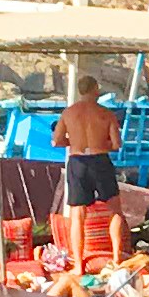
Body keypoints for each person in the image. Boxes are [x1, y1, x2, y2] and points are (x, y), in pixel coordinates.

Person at [60, 82, 122, 214]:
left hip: (77, 161)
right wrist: (99, 144)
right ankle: (116, 230)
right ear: (95, 90)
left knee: (77, 212)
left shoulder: (68, 113)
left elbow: (56, 141)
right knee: (115, 210)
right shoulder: (106, 113)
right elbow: (116, 144)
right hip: (100, 160)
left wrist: (75, 142)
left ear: (80, 91)